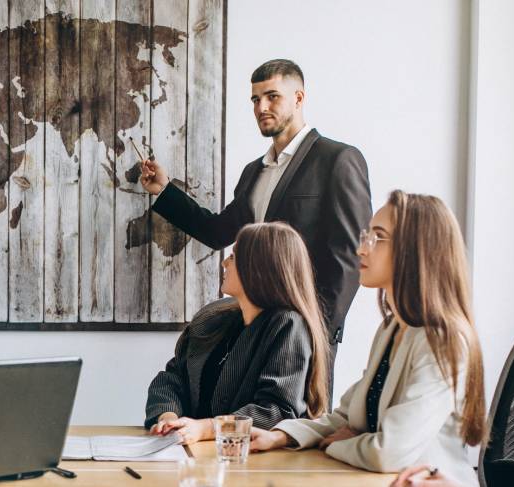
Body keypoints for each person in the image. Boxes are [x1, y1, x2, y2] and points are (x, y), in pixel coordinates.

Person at [140, 59, 371, 367]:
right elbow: (218, 231)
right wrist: (165, 191)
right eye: (255, 99)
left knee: (301, 417)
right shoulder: (254, 172)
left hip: (307, 330)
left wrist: (320, 329)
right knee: (252, 415)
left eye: (272, 96)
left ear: (298, 98)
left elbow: (350, 255)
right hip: (251, 326)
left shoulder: (338, 159)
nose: (262, 107)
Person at [248, 191, 487, 487]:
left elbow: (390, 452)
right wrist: (281, 435)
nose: (362, 249)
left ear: (414, 250)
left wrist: (337, 445)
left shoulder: (442, 339)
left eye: (377, 237)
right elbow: (347, 416)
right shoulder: (391, 329)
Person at [145, 222, 329, 443]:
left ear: (259, 268)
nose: (224, 263)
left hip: (250, 463)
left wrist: (207, 429)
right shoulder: (213, 318)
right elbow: (172, 378)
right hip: (192, 454)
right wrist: (169, 417)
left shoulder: (288, 326)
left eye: (232, 257)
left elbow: (276, 410)